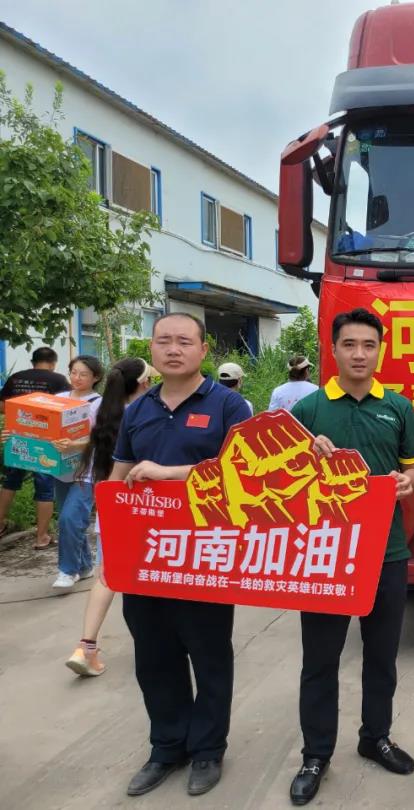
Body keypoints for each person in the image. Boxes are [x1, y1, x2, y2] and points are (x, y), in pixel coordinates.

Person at [286, 308, 414, 806]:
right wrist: (305, 457)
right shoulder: (309, 410)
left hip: (387, 552)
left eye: (369, 345)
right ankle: (316, 754)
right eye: (349, 345)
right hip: (324, 555)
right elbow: (280, 480)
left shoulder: (399, 407)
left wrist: (409, 482)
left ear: (380, 350)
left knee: (381, 657)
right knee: (320, 661)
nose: (359, 354)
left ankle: (375, 737)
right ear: (333, 350)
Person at [110, 314, 250, 798]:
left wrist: (170, 474)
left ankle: (207, 749)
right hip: (146, 556)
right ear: (151, 349)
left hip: (205, 556)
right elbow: (121, 474)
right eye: (164, 341)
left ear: (203, 350)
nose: (174, 349)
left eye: (184, 341)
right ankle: (166, 747)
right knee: (154, 657)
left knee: (209, 656)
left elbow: (244, 474)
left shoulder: (228, 405)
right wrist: (108, 530)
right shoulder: (138, 410)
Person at [65, 357, 157, 677]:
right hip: (150, 509)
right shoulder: (147, 414)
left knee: (107, 575)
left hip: (112, 506)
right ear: (144, 384)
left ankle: (86, 647)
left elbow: (95, 453)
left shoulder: (103, 411)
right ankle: (158, 645)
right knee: (153, 578)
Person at [0, 346, 71, 546]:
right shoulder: (58, 380)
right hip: (45, 440)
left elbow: (3, 406)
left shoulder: (16, 378)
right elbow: (66, 409)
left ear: (33, 362)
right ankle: (41, 537)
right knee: (45, 488)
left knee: (10, 482)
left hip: (17, 436)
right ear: (53, 363)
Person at [51, 355, 105, 588]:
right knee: (70, 521)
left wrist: (74, 445)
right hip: (60, 469)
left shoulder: (100, 403)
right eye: (73, 372)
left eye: (83, 374)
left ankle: (68, 571)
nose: (77, 378)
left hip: (87, 470)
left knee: (70, 518)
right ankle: (84, 566)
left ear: (96, 377)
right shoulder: (59, 398)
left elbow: (101, 438)